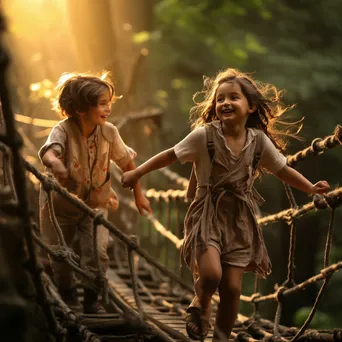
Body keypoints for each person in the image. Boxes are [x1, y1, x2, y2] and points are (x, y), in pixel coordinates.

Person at [121, 68, 330, 340]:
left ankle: (220, 337)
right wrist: (137, 173)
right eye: (220, 99)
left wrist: (311, 187)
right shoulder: (204, 136)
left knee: (232, 288)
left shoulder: (258, 142)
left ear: (251, 106)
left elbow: (282, 169)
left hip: (240, 218)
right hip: (206, 213)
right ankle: (201, 303)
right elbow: (170, 155)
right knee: (210, 275)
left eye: (234, 97)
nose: (225, 103)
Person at [38, 71, 152, 314]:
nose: (108, 108)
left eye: (109, 102)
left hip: (95, 206)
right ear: (80, 109)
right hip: (59, 206)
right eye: (102, 104)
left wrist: (139, 195)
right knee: (60, 254)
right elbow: (49, 152)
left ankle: (92, 298)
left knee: (98, 252)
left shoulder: (109, 132)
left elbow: (128, 166)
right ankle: (68, 294)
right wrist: (57, 165)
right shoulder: (63, 130)